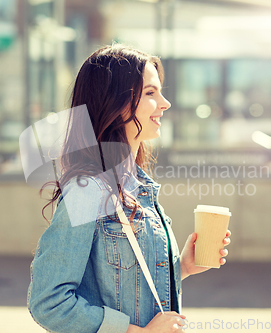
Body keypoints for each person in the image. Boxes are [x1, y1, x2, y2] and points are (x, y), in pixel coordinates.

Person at [27, 44, 232, 333]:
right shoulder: (89, 191)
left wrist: (182, 267)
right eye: (150, 93)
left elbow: (127, 286)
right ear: (116, 101)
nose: (165, 103)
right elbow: (49, 302)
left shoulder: (139, 186)